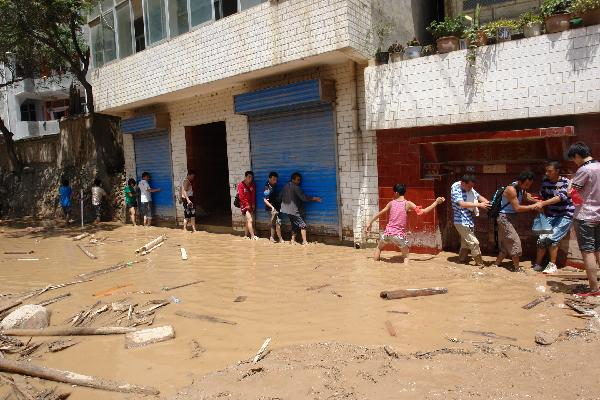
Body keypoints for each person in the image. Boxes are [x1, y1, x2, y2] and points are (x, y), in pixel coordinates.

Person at [365, 183, 445, 263]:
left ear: (396, 193)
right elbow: (424, 211)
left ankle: (375, 263)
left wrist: (370, 223)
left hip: (387, 233)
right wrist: (436, 202)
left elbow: (380, 213)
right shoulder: (408, 204)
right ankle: (407, 271)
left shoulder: (391, 203)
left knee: (379, 248)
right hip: (399, 236)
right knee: (406, 256)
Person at [567, 142, 600, 297]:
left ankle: (594, 289)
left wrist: (571, 182)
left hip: (585, 216)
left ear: (578, 156)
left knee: (588, 252)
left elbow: (572, 194)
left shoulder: (584, 170)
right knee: (598, 250)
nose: (574, 162)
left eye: (573, 159)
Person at [493, 171, 542, 271]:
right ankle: (517, 268)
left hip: (511, 217)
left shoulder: (521, 189)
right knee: (515, 241)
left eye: (529, 185)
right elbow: (517, 208)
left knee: (506, 243)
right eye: (526, 184)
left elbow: (528, 197)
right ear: (520, 181)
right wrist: (534, 206)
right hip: (504, 218)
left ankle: (495, 265)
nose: (527, 187)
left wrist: (539, 201)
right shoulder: (511, 189)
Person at [532, 161, 575, 274]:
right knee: (542, 239)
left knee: (552, 238)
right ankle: (538, 264)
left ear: (557, 171)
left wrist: (542, 204)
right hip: (551, 215)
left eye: (549, 171)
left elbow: (561, 197)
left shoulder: (566, 182)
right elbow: (542, 196)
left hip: (565, 215)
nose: (547, 173)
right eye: (546, 171)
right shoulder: (546, 182)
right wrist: (533, 200)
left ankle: (552, 265)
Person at [450, 174, 490, 266]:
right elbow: (462, 204)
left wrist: (489, 204)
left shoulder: (469, 187)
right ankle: (480, 263)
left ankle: (461, 260)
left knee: (465, 243)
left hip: (468, 220)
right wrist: (479, 205)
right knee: (474, 242)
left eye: (472, 187)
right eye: (469, 186)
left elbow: (478, 196)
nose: (470, 188)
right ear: (463, 183)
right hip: (460, 220)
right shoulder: (456, 189)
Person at [280, 172, 322, 245]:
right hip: (293, 211)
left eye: (300, 180)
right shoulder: (296, 188)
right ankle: (304, 242)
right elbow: (303, 198)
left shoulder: (286, 186)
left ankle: (292, 240)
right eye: (298, 180)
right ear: (293, 180)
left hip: (287, 210)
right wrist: (314, 198)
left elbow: (280, 196)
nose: (299, 182)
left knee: (294, 225)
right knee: (303, 225)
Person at [263, 171, 283, 243]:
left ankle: (271, 237)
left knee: (274, 222)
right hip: (272, 208)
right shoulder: (267, 188)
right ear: (269, 178)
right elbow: (265, 200)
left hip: (276, 206)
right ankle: (280, 239)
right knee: (277, 223)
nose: (275, 181)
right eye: (274, 179)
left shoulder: (273, 185)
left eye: (276, 179)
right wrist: (272, 207)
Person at [237, 171, 257, 240]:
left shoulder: (253, 185)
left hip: (251, 205)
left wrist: (253, 204)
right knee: (250, 220)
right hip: (244, 205)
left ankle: (245, 235)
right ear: (245, 177)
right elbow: (241, 197)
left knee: (248, 221)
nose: (250, 179)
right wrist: (246, 204)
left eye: (251, 177)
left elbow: (253, 195)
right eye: (249, 177)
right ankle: (252, 236)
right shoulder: (241, 185)